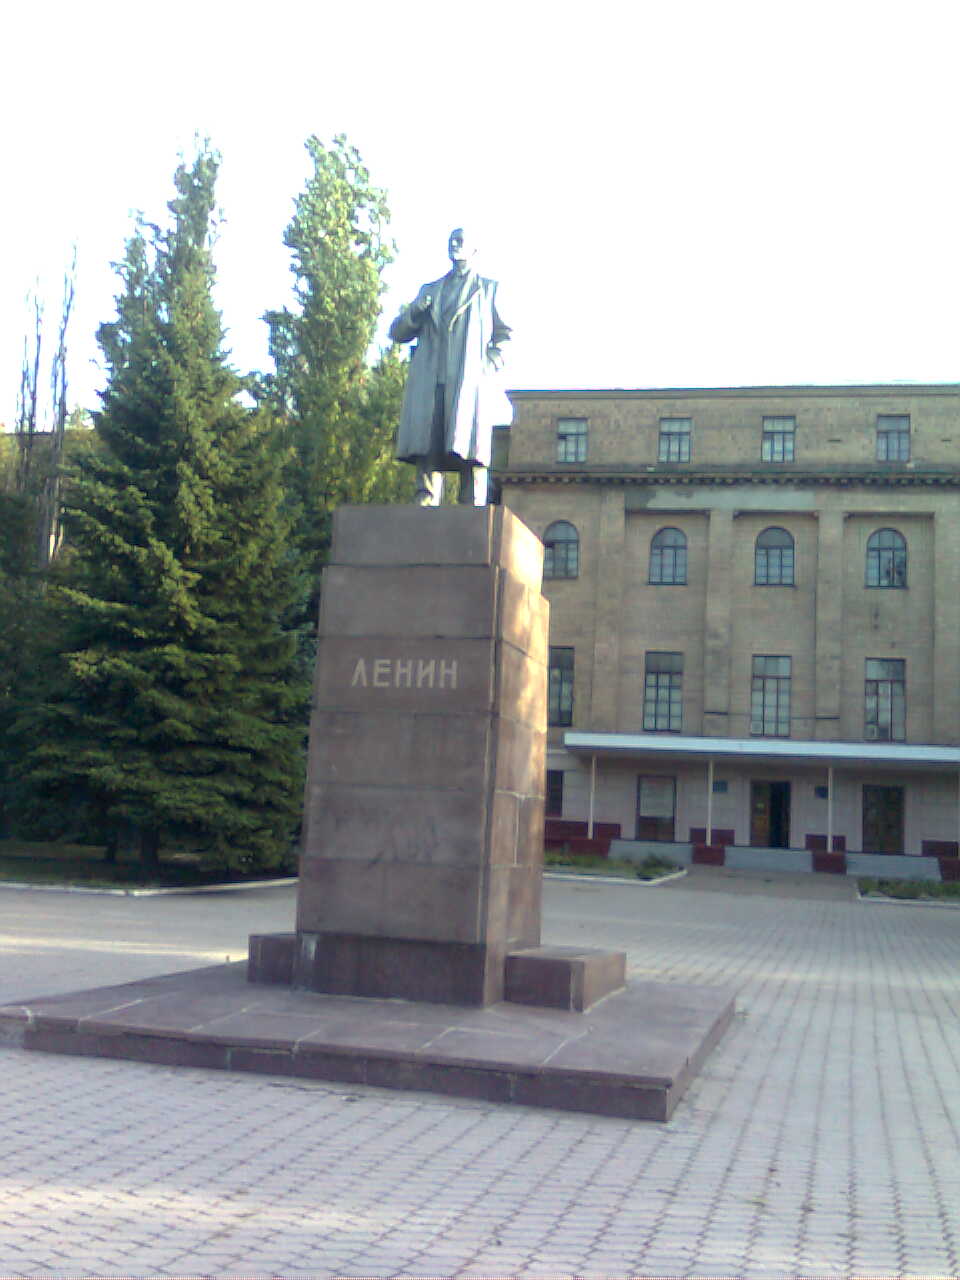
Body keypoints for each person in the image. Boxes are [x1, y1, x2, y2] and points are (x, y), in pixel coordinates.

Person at [389, 228, 510, 506]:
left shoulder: (489, 289)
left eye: (461, 241)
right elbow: (397, 333)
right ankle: (425, 497)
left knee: (470, 446)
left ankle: (473, 502)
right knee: (428, 443)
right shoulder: (429, 290)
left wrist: (490, 362)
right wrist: (415, 312)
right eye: (451, 241)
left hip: (469, 380)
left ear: (474, 250)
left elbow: (505, 335)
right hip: (431, 379)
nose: (455, 245)